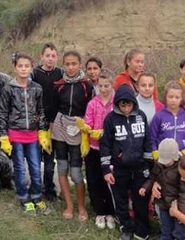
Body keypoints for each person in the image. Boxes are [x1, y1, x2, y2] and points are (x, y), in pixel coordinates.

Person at [0, 53, 51, 215]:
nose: (23, 69)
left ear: (31, 68)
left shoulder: (37, 88)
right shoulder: (8, 89)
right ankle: (23, 197)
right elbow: (2, 113)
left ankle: (36, 196)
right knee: (19, 168)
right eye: (20, 66)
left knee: (35, 167)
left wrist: (42, 131)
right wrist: (3, 136)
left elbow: (40, 112)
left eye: (27, 66)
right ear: (15, 68)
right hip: (15, 136)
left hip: (33, 136)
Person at [101, 84, 154, 240]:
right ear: (117, 103)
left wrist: (149, 164)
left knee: (140, 200)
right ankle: (126, 228)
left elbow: (147, 141)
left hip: (140, 167)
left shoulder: (141, 116)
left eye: (129, 103)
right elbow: (105, 144)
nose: (125, 107)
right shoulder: (110, 119)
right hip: (119, 168)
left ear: (134, 103)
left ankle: (142, 229)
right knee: (121, 200)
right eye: (122, 104)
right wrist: (106, 169)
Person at [48, 51, 93, 221]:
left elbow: (91, 110)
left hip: (78, 126)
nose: (70, 67)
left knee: (75, 172)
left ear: (80, 64)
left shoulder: (87, 86)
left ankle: (81, 207)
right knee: (62, 167)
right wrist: (48, 131)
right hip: (60, 125)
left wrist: (86, 130)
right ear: (63, 65)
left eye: (74, 63)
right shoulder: (58, 85)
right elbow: (53, 108)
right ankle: (69, 205)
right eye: (67, 64)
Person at [76, 71, 116, 229]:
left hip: (111, 149)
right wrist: (89, 129)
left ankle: (111, 212)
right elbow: (88, 122)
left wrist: (107, 133)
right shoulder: (92, 103)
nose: (104, 89)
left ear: (112, 86)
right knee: (95, 180)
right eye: (101, 86)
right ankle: (99, 211)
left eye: (107, 86)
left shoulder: (116, 103)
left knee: (110, 180)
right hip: (94, 147)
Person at [139, 139, 185, 240]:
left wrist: (183, 213)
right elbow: (152, 177)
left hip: (178, 206)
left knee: (179, 232)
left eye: (167, 160)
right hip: (163, 203)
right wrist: (145, 187)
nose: (165, 163)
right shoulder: (158, 163)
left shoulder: (182, 168)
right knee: (165, 229)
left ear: (175, 157)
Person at [31, 43, 62, 202]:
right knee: (35, 158)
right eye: (47, 55)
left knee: (50, 161)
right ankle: (35, 188)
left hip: (54, 123)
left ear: (57, 58)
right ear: (42, 56)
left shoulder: (60, 73)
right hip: (37, 123)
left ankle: (49, 188)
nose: (50, 59)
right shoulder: (35, 73)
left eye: (53, 56)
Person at [150, 81, 185, 155]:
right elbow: (152, 138)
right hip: (163, 158)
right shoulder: (159, 116)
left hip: (182, 156)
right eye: (170, 97)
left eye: (177, 97)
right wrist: (156, 153)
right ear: (165, 97)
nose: (173, 100)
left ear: (181, 98)